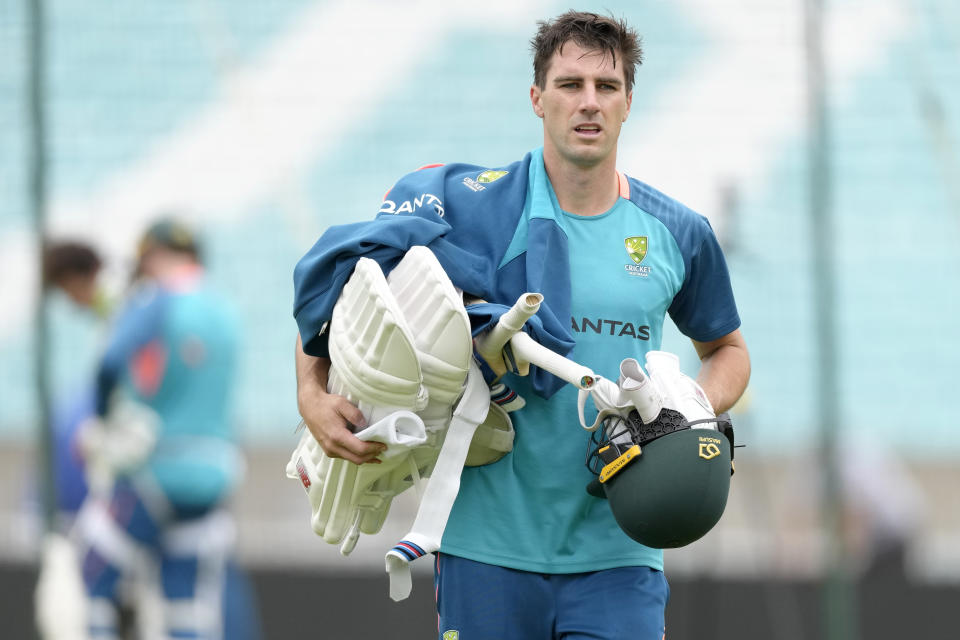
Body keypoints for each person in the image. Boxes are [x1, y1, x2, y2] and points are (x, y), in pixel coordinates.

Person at [292, 10, 750, 640]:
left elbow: (727, 349)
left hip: (618, 554)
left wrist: (688, 403)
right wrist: (311, 396)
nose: (588, 103)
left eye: (606, 87)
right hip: (485, 548)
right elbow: (344, 287)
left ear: (628, 102)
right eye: (569, 85)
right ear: (538, 98)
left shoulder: (679, 233)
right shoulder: (468, 204)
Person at [70, 218, 251, 639]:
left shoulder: (155, 300)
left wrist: (101, 421)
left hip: (155, 469)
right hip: (212, 476)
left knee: (94, 572)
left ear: (154, 255)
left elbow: (111, 361)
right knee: (187, 605)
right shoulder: (225, 309)